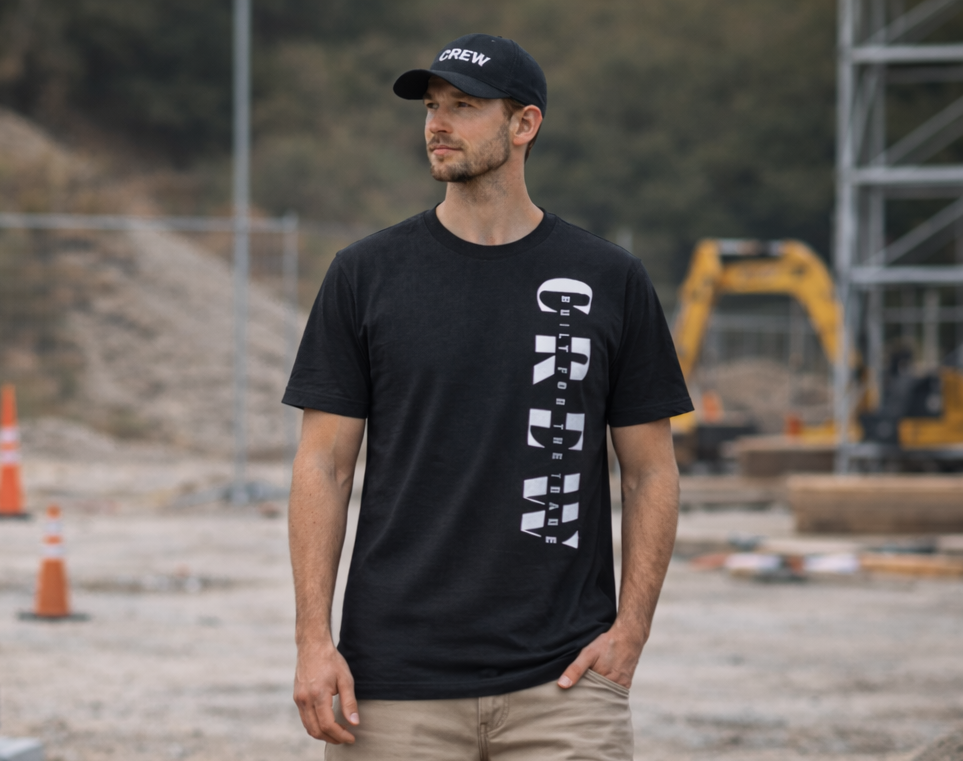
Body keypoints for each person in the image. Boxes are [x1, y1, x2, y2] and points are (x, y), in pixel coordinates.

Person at [284, 33, 692, 760]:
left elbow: (651, 470)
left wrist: (632, 631)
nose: (436, 124)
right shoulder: (365, 275)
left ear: (524, 125)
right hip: (394, 684)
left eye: (464, 107)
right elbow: (323, 467)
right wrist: (314, 641)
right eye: (432, 107)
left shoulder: (609, 278)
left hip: (562, 689)